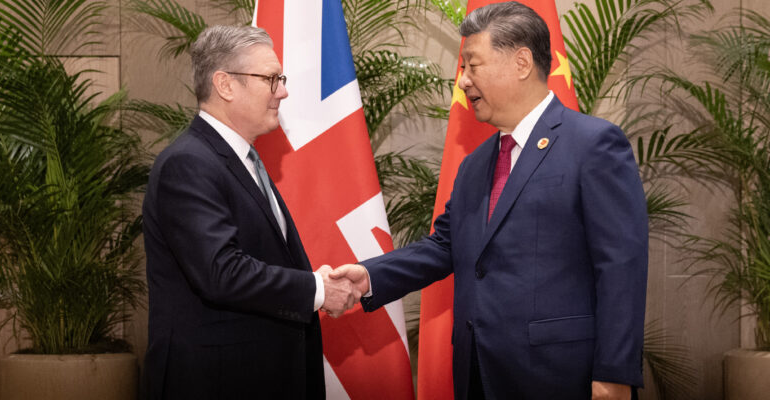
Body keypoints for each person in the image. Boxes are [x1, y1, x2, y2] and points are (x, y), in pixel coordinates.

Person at [331, 3, 648, 399]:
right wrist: (371, 276)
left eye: (471, 65)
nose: (462, 81)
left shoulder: (593, 144)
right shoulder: (475, 164)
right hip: (478, 371)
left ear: (520, 62)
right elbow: (445, 246)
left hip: (560, 375)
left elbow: (621, 265)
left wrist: (614, 374)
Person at [141, 25, 355, 400]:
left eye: (281, 79)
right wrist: (317, 289)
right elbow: (221, 272)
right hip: (216, 382)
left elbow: (260, 255)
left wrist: (309, 280)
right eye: (272, 79)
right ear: (225, 85)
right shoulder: (189, 164)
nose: (284, 91)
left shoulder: (241, 160)